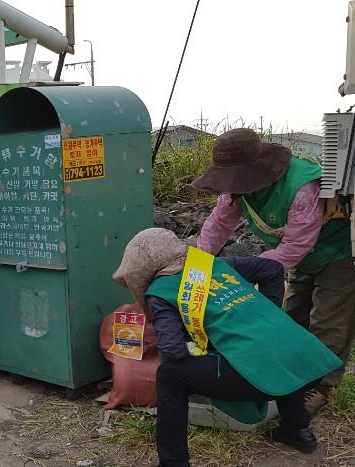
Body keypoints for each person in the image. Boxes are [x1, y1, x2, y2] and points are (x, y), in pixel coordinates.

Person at [113, 228, 342, 467]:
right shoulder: (215, 264)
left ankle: (173, 462)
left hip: (258, 374)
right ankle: (298, 430)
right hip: (308, 361)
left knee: (170, 376)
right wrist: (266, 315)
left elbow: (173, 351)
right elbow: (273, 270)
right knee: (273, 351)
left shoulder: (159, 293)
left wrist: (196, 344)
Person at [193, 128, 355, 413]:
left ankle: (322, 387)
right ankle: (291, 376)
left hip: (334, 252)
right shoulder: (236, 193)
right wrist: (196, 268)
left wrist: (242, 276)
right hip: (298, 257)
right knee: (291, 317)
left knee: (329, 320)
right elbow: (217, 226)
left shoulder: (302, 187)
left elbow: (296, 244)